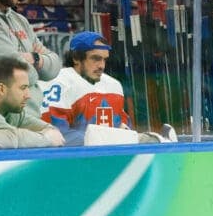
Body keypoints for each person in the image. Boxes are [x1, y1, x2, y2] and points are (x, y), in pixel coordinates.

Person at [38, 31, 175, 145]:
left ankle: (155, 140)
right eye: (95, 59)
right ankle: (155, 140)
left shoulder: (113, 85)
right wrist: (117, 139)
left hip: (109, 160)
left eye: (104, 59)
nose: (102, 66)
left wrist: (125, 135)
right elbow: (56, 135)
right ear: (76, 58)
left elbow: (123, 128)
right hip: (71, 164)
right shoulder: (59, 82)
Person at [0, 56, 65, 146]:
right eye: (23, 88)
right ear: (1, 89)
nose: (28, 95)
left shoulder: (12, 112)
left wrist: (50, 132)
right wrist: (44, 139)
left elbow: (50, 130)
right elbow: (5, 138)